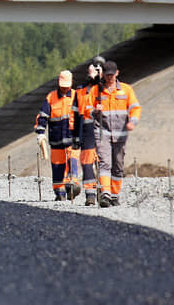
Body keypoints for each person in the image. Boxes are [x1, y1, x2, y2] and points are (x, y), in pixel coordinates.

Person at [87, 60, 141, 208]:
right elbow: (87, 109)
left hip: (121, 134)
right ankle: (105, 193)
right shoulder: (96, 91)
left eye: (112, 75)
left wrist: (132, 122)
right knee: (105, 163)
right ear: (103, 75)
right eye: (107, 75)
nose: (109, 78)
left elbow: (135, 108)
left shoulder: (126, 90)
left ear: (117, 73)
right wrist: (95, 111)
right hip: (102, 133)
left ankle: (114, 194)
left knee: (118, 166)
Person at [35, 70, 80, 201]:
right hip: (56, 140)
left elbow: (82, 116)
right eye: (62, 86)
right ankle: (59, 193)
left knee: (72, 163)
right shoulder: (51, 97)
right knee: (57, 167)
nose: (64, 88)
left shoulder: (76, 96)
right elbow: (43, 116)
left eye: (67, 86)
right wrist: (40, 132)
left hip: (72, 140)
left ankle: (72, 187)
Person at [73, 58, 105, 206]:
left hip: (102, 129)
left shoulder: (104, 88)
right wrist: (74, 135)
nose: (91, 73)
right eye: (90, 70)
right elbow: (74, 114)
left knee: (103, 162)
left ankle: (105, 192)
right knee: (86, 162)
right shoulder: (80, 90)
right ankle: (90, 194)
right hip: (86, 131)